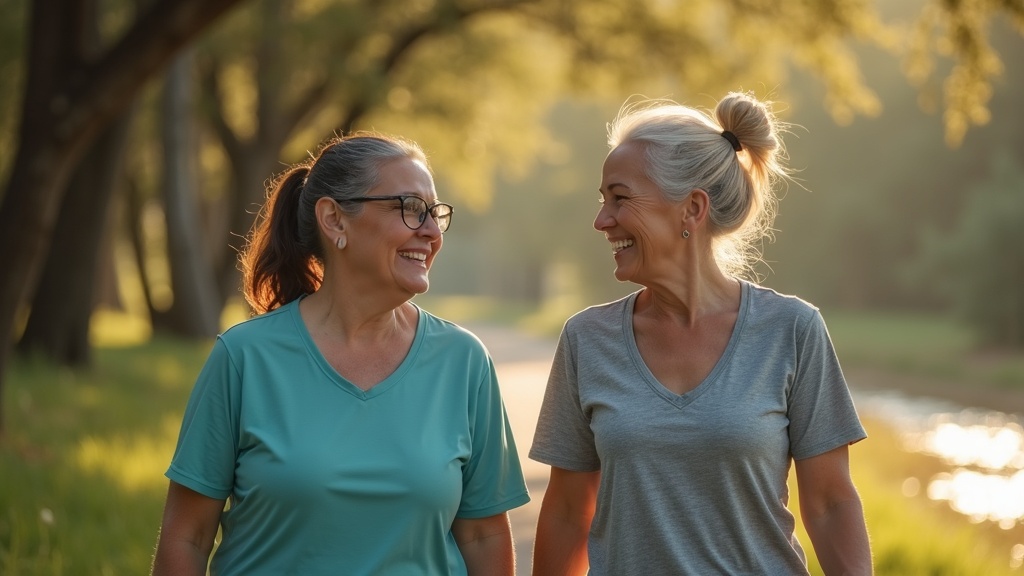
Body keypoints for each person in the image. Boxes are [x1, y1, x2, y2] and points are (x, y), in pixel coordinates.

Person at [151, 132, 530, 575]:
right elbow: (187, 537)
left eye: (435, 213)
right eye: (408, 208)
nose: (430, 231)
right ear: (334, 220)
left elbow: (483, 536)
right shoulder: (244, 358)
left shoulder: (464, 361)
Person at [529, 93, 872, 575]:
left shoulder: (792, 330)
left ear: (691, 209)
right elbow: (568, 512)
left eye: (620, 198)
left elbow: (831, 503)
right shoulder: (586, 339)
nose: (601, 220)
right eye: (602, 199)